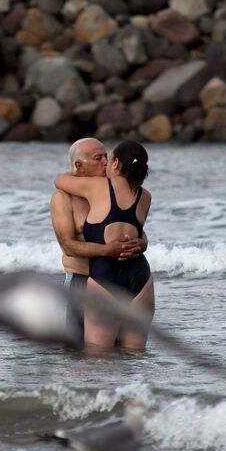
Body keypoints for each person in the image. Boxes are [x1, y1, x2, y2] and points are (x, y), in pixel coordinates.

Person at [54, 140, 154, 351]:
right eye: (98, 158)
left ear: (116, 163)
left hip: (104, 277)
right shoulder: (65, 199)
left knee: (98, 359)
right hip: (103, 279)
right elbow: (69, 246)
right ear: (79, 166)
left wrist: (142, 242)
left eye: (107, 157)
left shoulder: (99, 188)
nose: (105, 162)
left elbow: (59, 179)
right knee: (129, 356)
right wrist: (111, 249)